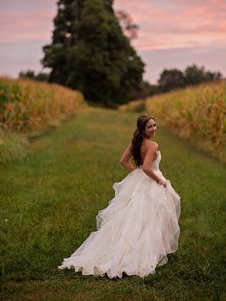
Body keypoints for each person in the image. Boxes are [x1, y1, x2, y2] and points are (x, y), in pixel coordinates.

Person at [58, 114, 181, 278]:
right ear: (142, 129)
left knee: (139, 216)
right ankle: (141, 253)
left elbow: (124, 161)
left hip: (141, 181)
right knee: (150, 217)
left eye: (155, 125)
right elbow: (146, 168)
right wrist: (160, 181)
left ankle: (144, 248)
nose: (154, 128)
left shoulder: (136, 143)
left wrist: (135, 176)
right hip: (152, 180)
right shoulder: (152, 145)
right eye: (150, 126)